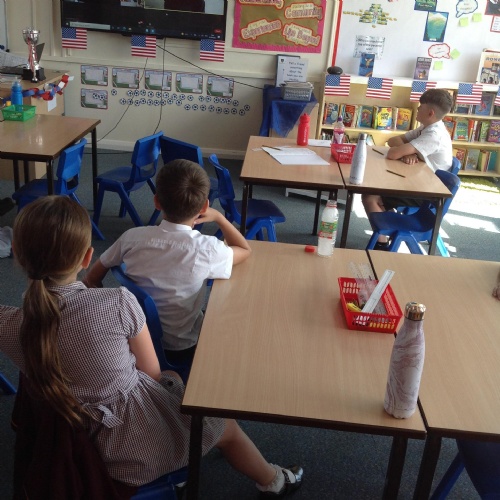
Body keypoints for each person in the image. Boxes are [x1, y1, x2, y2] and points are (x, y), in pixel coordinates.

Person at [0, 195, 303, 494]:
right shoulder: (117, 302)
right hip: (128, 449)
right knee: (225, 424)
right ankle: (274, 481)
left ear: (17, 254)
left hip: (71, 446)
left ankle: (183, 459)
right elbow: (153, 374)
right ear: (87, 257)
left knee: (175, 386)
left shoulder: (11, 325)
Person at [85, 159, 252, 368]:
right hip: (182, 345)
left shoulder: (132, 237)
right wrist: (219, 218)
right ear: (204, 206)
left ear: (156, 202)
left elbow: (92, 276)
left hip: (134, 340)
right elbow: (244, 249)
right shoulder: (208, 249)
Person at [361, 88, 453, 248]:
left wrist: (407, 151)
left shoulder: (434, 135)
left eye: (421, 107)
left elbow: (392, 153)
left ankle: (381, 244)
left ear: (430, 113)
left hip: (427, 193)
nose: (417, 109)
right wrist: (409, 152)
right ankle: (386, 231)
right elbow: (393, 140)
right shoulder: (426, 127)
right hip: (419, 181)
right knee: (378, 189)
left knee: (370, 197)